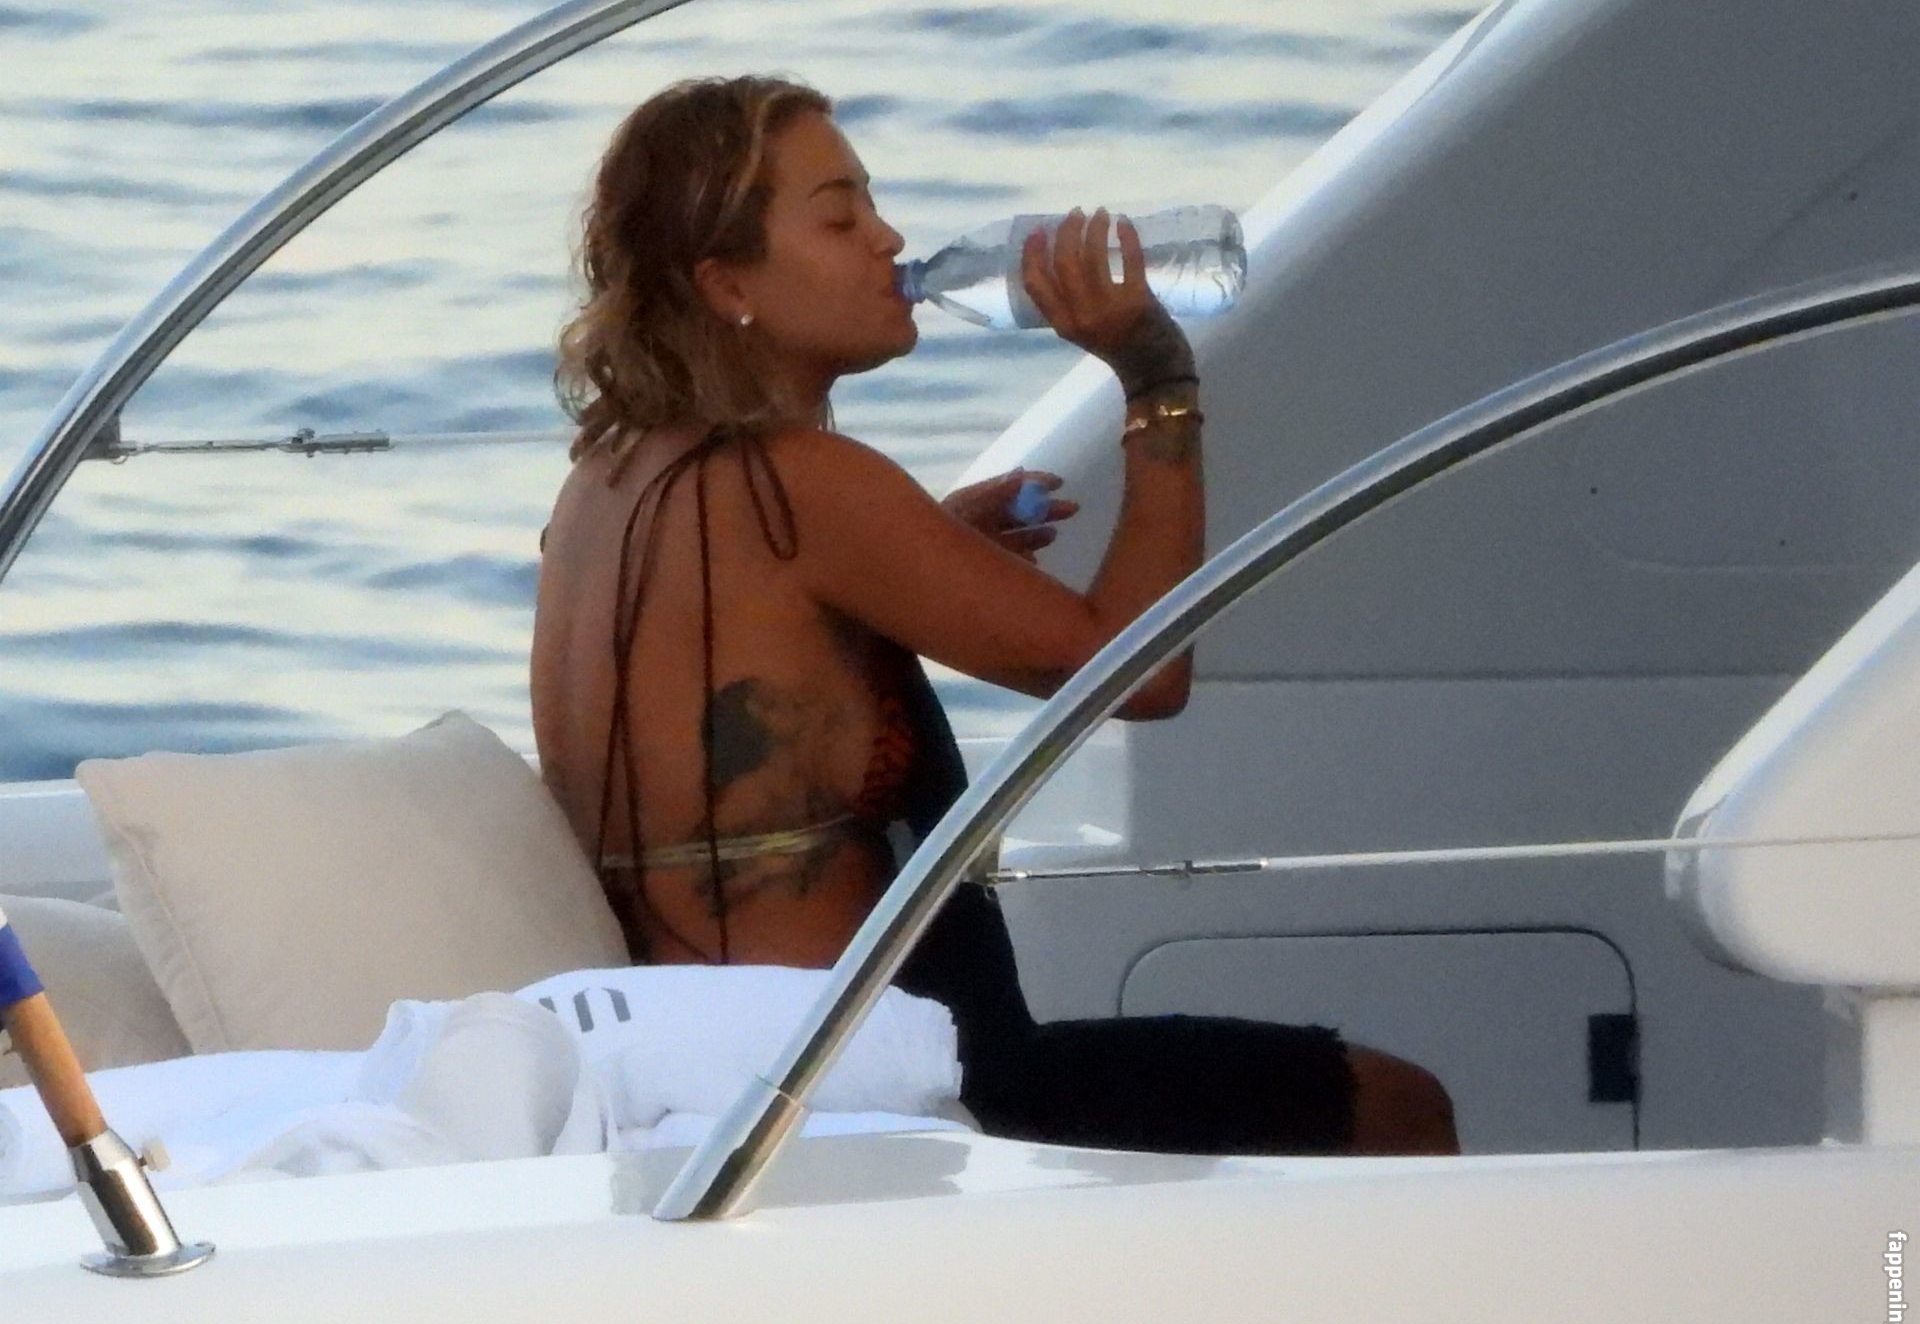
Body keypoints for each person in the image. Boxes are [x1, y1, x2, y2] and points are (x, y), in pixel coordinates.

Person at [532, 74, 1457, 1157]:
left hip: (744, 1072)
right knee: (1399, 1110)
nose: (888, 240)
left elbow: (741, 640)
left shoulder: (608, 479)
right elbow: (1141, 673)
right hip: (892, 1084)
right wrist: (1154, 375)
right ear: (727, 281)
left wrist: (921, 553)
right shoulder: (803, 484)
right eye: (839, 217)